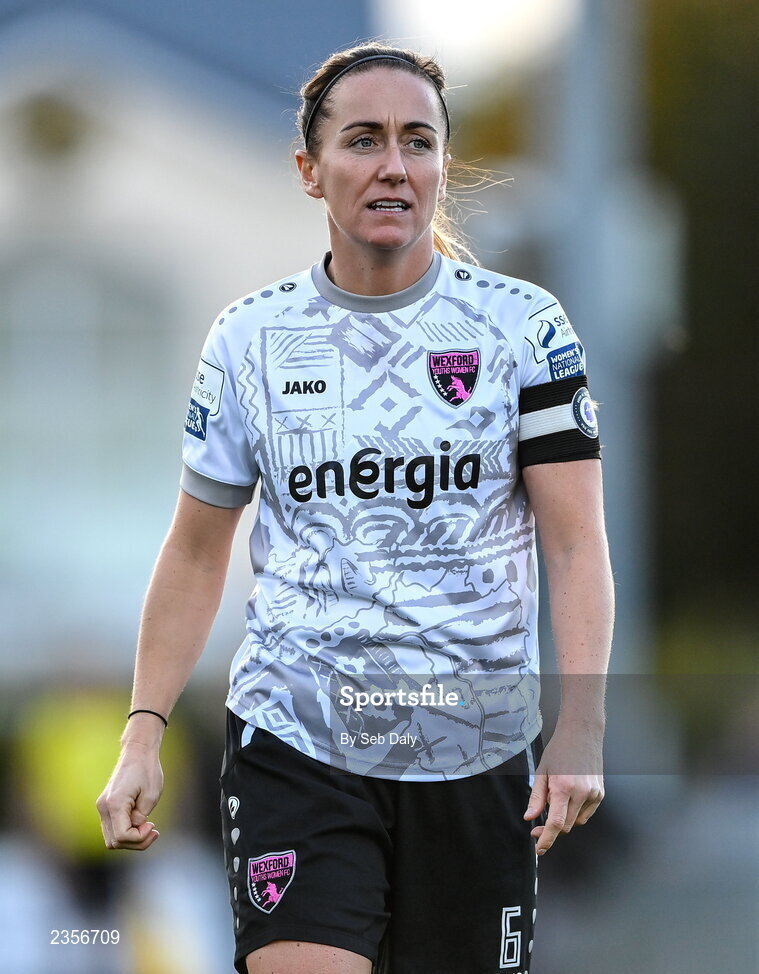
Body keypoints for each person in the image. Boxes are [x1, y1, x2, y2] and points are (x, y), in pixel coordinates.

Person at [97, 41, 614, 974]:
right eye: (363, 139)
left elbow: (575, 545)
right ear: (309, 169)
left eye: (417, 142)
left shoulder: (522, 327)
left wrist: (578, 727)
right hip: (297, 738)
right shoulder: (249, 339)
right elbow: (194, 553)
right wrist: (142, 736)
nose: (392, 165)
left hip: (475, 741)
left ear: (441, 166)